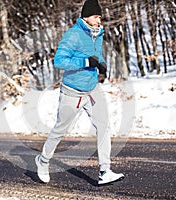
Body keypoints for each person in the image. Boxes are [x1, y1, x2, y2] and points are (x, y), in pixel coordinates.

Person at [35, 0, 124, 185]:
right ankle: (43, 161)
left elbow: (95, 56)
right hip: (72, 92)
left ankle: (104, 170)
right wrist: (85, 63)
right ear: (85, 17)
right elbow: (59, 61)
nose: (99, 20)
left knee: (104, 126)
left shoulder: (97, 33)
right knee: (60, 130)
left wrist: (101, 65)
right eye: (95, 16)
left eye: (100, 16)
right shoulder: (73, 35)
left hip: (92, 89)